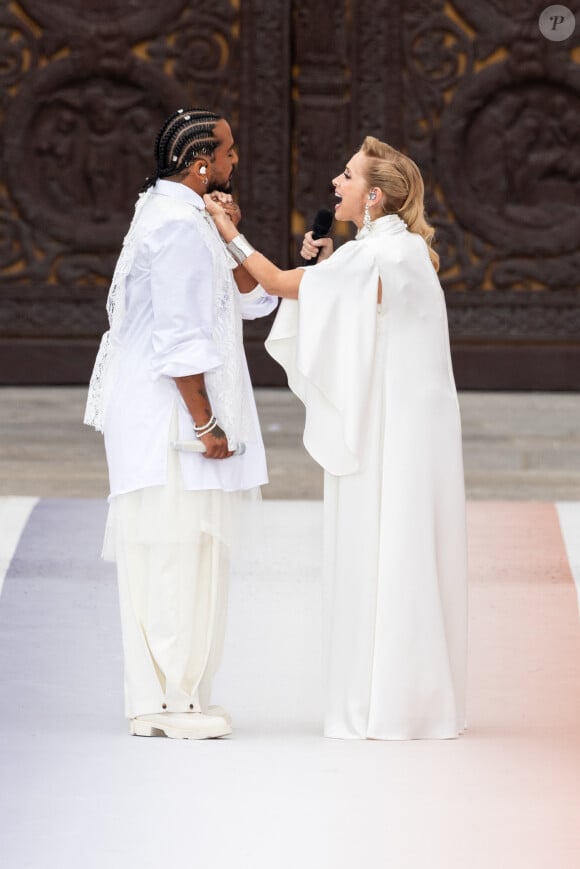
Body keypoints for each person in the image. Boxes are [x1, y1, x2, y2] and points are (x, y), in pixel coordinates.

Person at [205, 136, 467, 740]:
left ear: (373, 195)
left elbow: (272, 281)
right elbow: (358, 312)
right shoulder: (406, 251)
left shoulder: (374, 258)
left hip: (387, 428)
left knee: (382, 538)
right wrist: (327, 263)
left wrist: (225, 229)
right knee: (407, 541)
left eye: (346, 176)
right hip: (413, 422)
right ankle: (411, 695)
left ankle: (386, 699)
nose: (336, 184)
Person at [84, 108, 277, 739]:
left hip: (174, 413)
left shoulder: (188, 217)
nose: (235, 159)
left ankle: (182, 695)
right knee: (168, 549)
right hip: (165, 415)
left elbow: (249, 300)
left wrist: (228, 233)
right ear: (200, 162)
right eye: (227, 150)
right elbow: (176, 335)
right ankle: (163, 701)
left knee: (189, 550)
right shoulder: (172, 224)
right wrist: (206, 424)